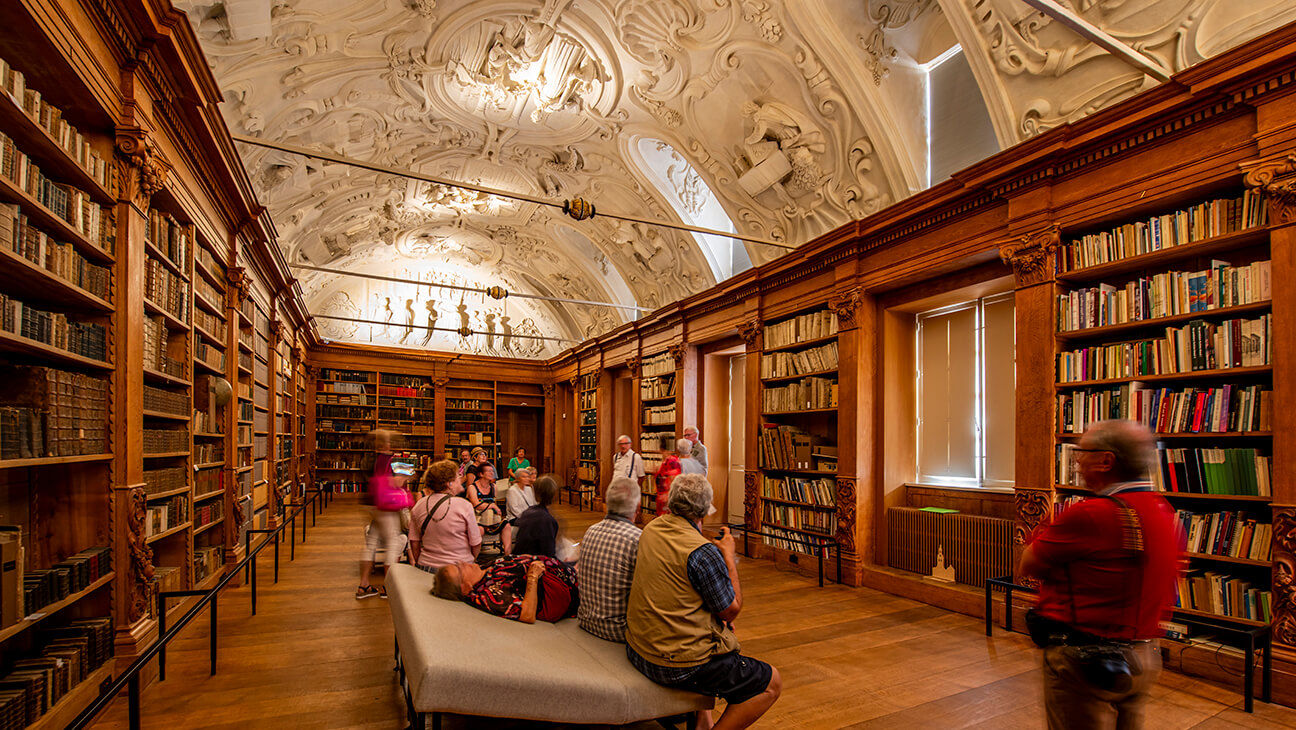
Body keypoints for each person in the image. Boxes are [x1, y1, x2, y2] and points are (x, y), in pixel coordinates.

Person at [1020, 420, 1179, 730]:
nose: (1077, 463)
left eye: (1082, 453)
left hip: (1085, 660)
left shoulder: (1092, 513)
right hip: (1142, 655)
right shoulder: (1163, 510)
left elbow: (1028, 563)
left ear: (1107, 461)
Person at [625, 474, 781, 729]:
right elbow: (731, 610)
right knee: (772, 683)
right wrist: (729, 556)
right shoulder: (702, 552)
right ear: (704, 511)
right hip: (675, 663)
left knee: (715, 631)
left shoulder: (652, 528)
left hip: (639, 647)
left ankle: (702, 720)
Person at [577, 477, 642, 642]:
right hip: (618, 631)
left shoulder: (591, 530)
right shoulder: (637, 538)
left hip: (586, 620)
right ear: (637, 508)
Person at [433, 554, 578, 624]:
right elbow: (527, 615)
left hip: (565, 573)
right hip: (573, 590)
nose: (464, 563)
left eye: (458, 563)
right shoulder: (489, 595)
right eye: (460, 568)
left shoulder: (484, 573)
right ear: (465, 588)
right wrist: (533, 576)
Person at [357, 429, 406, 599]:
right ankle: (388, 587)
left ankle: (364, 585)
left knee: (371, 542)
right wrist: (406, 472)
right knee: (394, 541)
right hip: (386, 505)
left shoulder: (368, 459)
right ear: (386, 444)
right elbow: (401, 480)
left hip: (371, 502)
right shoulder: (391, 460)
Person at [408, 460, 481, 573]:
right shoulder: (464, 506)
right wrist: (469, 560)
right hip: (458, 569)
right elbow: (476, 543)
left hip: (426, 567)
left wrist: (420, 564)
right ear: (449, 483)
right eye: (458, 476)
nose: (461, 478)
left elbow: (414, 542)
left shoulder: (419, 505)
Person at [511, 474, 559, 558]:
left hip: (518, 559)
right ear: (554, 495)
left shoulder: (528, 512)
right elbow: (548, 554)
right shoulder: (547, 520)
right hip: (532, 563)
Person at [467, 463, 506, 544]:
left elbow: (494, 501)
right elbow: (476, 505)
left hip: (492, 517)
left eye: (492, 471)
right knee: (487, 515)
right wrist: (492, 506)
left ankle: (507, 554)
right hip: (477, 516)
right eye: (489, 471)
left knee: (506, 525)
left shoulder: (493, 486)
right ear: (481, 474)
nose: (492, 473)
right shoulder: (472, 487)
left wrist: (494, 507)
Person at [653, 439, 691, 516]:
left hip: (667, 499)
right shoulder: (665, 462)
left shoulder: (672, 461)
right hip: (661, 498)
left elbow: (674, 480)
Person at [504, 467, 538, 553]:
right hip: (515, 518)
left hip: (529, 516)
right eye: (524, 477)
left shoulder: (529, 489)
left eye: (527, 476)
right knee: (532, 524)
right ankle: (525, 549)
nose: (527, 479)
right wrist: (529, 517)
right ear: (518, 478)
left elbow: (533, 504)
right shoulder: (512, 490)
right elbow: (514, 509)